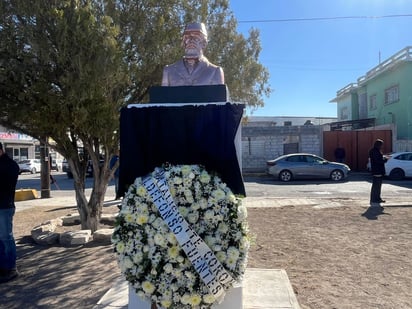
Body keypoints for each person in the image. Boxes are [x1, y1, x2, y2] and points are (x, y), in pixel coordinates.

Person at [161, 22, 225, 86]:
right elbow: (163, 95)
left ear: (204, 43)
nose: (191, 41)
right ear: (183, 42)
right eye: (187, 37)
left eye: (196, 37)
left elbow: (219, 95)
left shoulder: (214, 71)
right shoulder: (169, 70)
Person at [0, 142, 20, 283]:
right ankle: (3, 266)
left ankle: (11, 268)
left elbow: (7, 182)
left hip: (4, 207)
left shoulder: (10, 165)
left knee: (6, 237)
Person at [369, 139, 387, 205]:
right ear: (379, 145)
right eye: (381, 145)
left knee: (378, 186)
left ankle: (377, 198)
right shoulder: (375, 151)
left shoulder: (375, 150)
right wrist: (385, 159)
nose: (382, 146)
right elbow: (378, 161)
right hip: (377, 170)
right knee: (376, 186)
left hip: (377, 170)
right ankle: (374, 199)